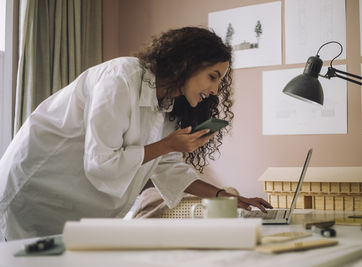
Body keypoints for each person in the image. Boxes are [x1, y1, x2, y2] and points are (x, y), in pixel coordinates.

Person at [0, 26, 272, 241]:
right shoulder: (120, 78)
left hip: (72, 208)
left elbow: (167, 169)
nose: (214, 91)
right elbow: (101, 163)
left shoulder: (166, 104)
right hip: (36, 189)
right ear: (189, 62)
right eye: (213, 76)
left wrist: (227, 196)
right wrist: (167, 145)